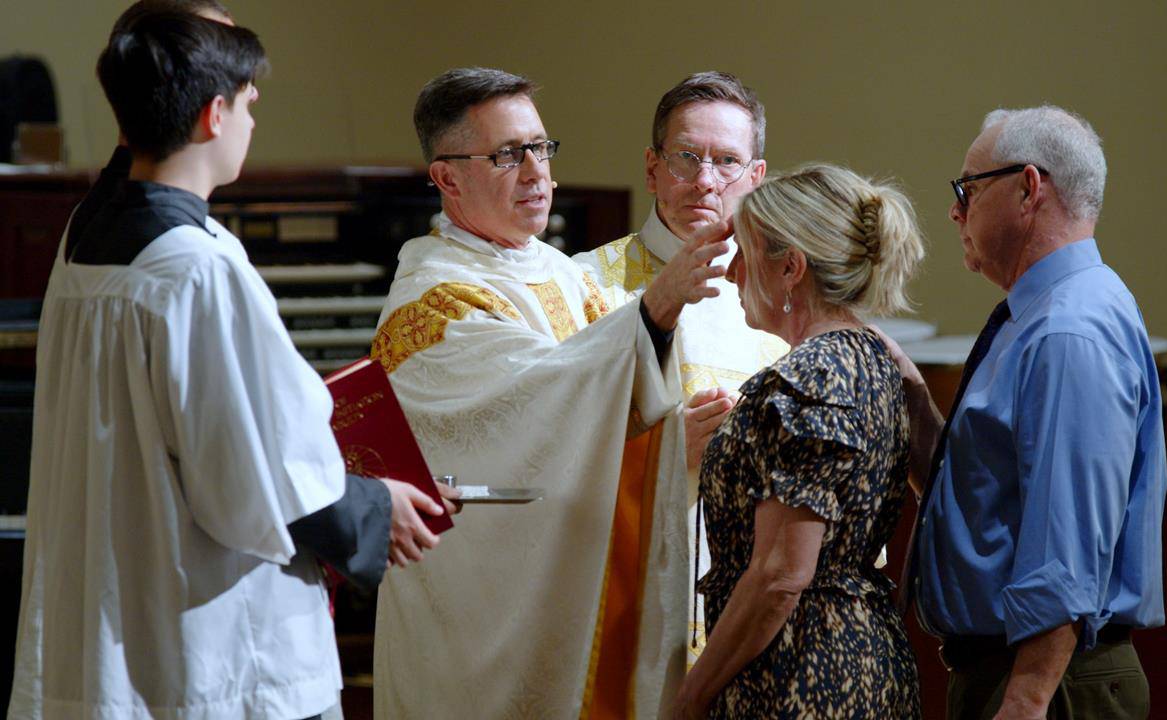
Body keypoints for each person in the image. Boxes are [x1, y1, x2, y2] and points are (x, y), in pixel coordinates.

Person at [6, 8, 453, 719]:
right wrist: (373, 508)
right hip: (212, 657)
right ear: (215, 114)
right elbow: (257, 473)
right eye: (249, 102)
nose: (252, 118)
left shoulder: (84, 233)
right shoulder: (196, 269)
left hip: (113, 629)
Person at [370, 67, 730, 718]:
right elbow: (532, 414)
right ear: (448, 178)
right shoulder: (431, 306)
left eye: (540, 147)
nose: (537, 173)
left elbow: (600, 402)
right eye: (508, 155)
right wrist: (654, 313)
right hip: (478, 620)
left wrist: (674, 430)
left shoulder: (560, 273)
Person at [896, 105, 1167, 719]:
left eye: (967, 189)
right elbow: (983, 492)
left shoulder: (1068, 330)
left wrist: (1025, 699)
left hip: (1046, 683)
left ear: (1028, 188)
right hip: (1024, 672)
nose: (955, 211)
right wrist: (906, 389)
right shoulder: (1045, 314)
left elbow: (1067, 547)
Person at [671, 164, 924, 718]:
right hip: (860, 657)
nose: (733, 271)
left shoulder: (810, 374)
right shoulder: (873, 356)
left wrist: (687, 699)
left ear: (789, 268)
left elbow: (781, 575)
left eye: (745, 252)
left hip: (800, 673)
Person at [573, 70, 788, 654]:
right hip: (636, 593)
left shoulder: (790, 300)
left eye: (726, 162)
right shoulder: (582, 285)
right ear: (651, 168)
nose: (705, 181)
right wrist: (663, 457)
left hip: (762, 604)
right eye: (686, 158)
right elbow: (546, 446)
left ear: (757, 177)